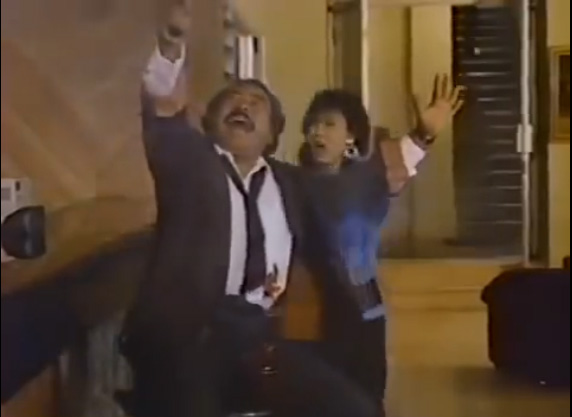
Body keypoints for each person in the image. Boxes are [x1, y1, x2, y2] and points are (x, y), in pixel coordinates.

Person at [121, 4, 379, 417]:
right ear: (210, 122)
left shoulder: (292, 184)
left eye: (256, 102)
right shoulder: (190, 164)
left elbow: (351, 201)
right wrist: (170, 45)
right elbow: (163, 115)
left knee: (354, 410)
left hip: (260, 344)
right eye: (232, 99)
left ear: (274, 133)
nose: (243, 105)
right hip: (191, 344)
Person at [298, 85, 464, 412]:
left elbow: (408, 152)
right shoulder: (291, 180)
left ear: (351, 136)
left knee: (365, 397)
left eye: (329, 123)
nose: (318, 131)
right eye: (313, 124)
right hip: (310, 311)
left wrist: (425, 133)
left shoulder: (367, 177)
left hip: (363, 309)